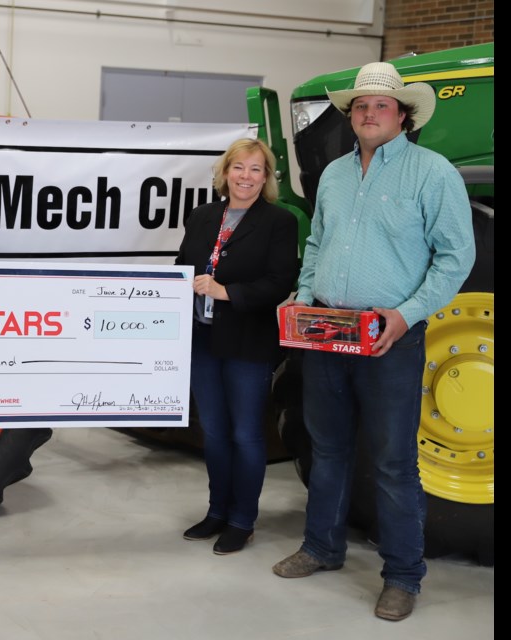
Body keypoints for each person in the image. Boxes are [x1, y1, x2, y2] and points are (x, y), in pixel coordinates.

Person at [272, 62, 475, 621]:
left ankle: (403, 576)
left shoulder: (432, 173)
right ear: (350, 115)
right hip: (327, 332)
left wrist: (406, 316)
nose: (368, 112)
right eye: (360, 105)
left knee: (391, 463)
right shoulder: (334, 175)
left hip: (390, 339)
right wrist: (303, 292)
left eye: (381, 105)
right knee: (328, 448)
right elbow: (317, 243)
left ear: (403, 115)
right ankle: (321, 547)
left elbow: (457, 256)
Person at [175, 138, 299, 555]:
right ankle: (217, 511)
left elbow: (281, 281)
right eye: (239, 168)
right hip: (203, 339)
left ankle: (242, 520)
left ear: (266, 178)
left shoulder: (279, 222)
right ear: (225, 172)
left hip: (248, 341)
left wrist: (227, 292)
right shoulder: (202, 216)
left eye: (256, 169)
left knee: (246, 434)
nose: (246, 177)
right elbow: (182, 268)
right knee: (213, 431)